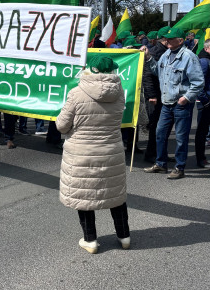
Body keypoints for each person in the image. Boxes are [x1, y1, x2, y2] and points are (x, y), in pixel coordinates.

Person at [56, 53, 129, 254]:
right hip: (111, 150)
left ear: (91, 70)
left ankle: (91, 240)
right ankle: (124, 236)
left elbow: (62, 126)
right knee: (115, 195)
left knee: (85, 195)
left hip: (82, 154)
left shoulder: (76, 93)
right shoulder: (119, 92)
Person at [143, 26, 204, 178]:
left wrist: (186, 98)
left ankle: (179, 167)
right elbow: (157, 71)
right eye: (167, 38)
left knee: (181, 137)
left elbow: (198, 82)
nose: (167, 41)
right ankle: (161, 164)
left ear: (181, 41)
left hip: (180, 104)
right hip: (166, 103)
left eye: (171, 39)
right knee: (160, 133)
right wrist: (149, 57)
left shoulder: (189, 57)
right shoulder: (166, 54)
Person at [141, 29, 168, 162]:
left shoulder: (165, 51)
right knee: (155, 125)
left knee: (163, 126)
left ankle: (161, 152)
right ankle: (151, 154)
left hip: (162, 93)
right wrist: (152, 95)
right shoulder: (154, 52)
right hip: (155, 95)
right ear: (162, 39)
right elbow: (148, 76)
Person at [195, 39, 210, 168]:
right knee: (202, 132)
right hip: (206, 103)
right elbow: (200, 83)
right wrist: (205, 101)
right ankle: (200, 158)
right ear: (206, 49)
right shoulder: (204, 61)